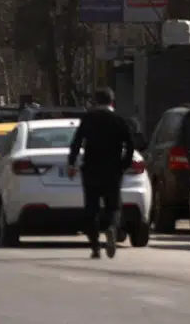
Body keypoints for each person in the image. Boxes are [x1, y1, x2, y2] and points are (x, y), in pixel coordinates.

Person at [67, 87, 136, 259]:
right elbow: (130, 145)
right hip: (112, 170)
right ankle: (111, 228)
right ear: (112, 102)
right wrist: (123, 165)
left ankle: (95, 246)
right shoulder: (119, 120)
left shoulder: (88, 119)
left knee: (91, 208)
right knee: (113, 206)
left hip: (91, 169)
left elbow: (76, 142)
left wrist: (71, 163)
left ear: (96, 102)